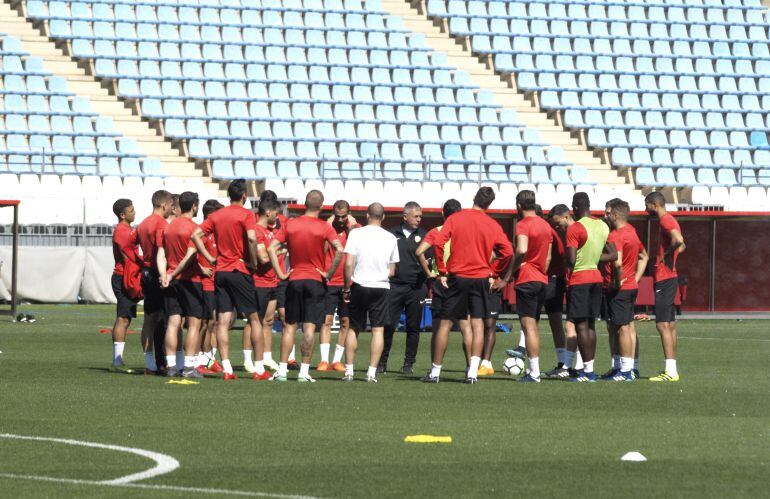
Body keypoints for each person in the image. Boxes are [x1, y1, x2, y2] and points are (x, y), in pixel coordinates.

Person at [416, 187, 513, 384]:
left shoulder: (455, 218)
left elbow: (440, 243)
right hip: (480, 278)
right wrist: (495, 272)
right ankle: (472, 373)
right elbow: (508, 252)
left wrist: (442, 270)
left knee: (445, 322)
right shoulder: (492, 224)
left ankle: (435, 372)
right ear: (489, 204)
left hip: (458, 276)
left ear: (474, 198)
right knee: (477, 323)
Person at [191, 179, 266, 381]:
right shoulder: (246, 214)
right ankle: (259, 369)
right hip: (239, 269)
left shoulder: (217, 215)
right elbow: (251, 238)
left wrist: (210, 257)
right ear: (244, 195)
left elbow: (196, 234)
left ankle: (227, 369)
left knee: (222, 321)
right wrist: (252, 261)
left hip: (221, 272)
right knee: (253, 318)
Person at [267, 190, 344, 383]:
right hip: (316, 281)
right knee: (309, 327)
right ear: (321, 205)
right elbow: (340, 249)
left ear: (305, 204)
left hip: (294, 279)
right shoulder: (324, 227)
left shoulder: (291, 225)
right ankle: (303, 372)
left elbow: (270, 248)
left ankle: (283, 370)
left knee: (290, 327)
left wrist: (281, 273)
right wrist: (329, 273)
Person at [494, 191, 552, 382]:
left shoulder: (523, 224)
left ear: (519, 205)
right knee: (533, 325)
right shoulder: (545, 225)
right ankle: (532, 370)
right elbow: (548, 258)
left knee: (529, 327)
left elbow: (521, 249)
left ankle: (534, 372)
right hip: (542, 279)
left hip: (527, 278)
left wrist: (509, 274)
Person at [341, 203, 400, 383]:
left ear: (367, 215)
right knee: (378, 330)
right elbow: (392, 270)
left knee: (354, 327)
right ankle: (371, 373)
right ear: (383, 217)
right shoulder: (391, 237)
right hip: (380, 286)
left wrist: (346, 287)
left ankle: (349, 371)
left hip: (359, 284)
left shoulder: (356, 233)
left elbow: (348, 264)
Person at [564, 192, 616, 382]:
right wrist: (594, 257)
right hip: (596, 278)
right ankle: (589, 370)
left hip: (580, 279)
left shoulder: (575, 228)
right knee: (591, 325)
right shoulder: (602, 225)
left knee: (581, 326)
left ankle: (587, 373)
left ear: (576, 207)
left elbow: (570, 260)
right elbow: (613, 255)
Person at [418, 199, 472, 368]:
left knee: (440, 326)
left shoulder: (437, 231)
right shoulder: (468, 232)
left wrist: (429, 274)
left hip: (442, 280)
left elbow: (419, 251)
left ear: (443, 213)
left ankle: (435, 369)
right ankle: (471, 369)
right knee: (465, 325)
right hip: (463, 279)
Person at [157, 191, 205, 378]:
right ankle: (189, 367)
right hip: (190, 280)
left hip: (172, 281)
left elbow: (161, 254)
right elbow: (190, 256)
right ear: (194, 206)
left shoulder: (168, 227)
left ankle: (171, 367)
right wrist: (173, 273)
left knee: (173, 322)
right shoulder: (195, 228)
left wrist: (165, 274)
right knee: (194, 323)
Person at [378, 202, 429, 375]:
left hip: (416, 287)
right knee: (389, 324)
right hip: (395, 286)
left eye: (420, 216)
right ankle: (381, 362)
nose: (419, 219)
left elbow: (430, 261)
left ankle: (408, 364)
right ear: (405, 216)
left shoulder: (424, 235)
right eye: (416, 216)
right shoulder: (391, 234)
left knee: (413, 327)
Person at [604, 199, 648, 381]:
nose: (604, 216)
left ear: (615, 215)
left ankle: (625, 371)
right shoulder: (632, 232)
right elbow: (644, 256)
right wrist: (635, 279)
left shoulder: (616, 235)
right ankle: (626, 368)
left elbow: (618, 262)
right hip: (630, 286)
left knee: (621, 328)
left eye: (607, 213)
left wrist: (616, 281)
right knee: (626, 327)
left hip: (619, 288)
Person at [645, 191, 685, 382]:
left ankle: (670, 370)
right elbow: (682, 245)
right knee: (669, 324)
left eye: (647, 205)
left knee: (662, 323)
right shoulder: (671, 220)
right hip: (670, 277)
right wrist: (671, 255)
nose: (646, 210)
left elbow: (678, 241)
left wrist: (666, 255)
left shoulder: (665, 220)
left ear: (654, 204)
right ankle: (672, 369)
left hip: (665, 277)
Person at [135, 189, 174, 374]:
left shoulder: (142, 224)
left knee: (149, 320)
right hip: (158, 271)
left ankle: (149, 363)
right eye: (171, 207)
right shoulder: (161, 224)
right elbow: (163, 251)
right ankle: (165, 361)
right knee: (164, 319)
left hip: (145, 271)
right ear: (165, 205)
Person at [258, 190, 298, 369]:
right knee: (263, 320)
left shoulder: (285, 223)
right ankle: (264, 357)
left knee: (284, 316)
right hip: (264, 276)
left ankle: (290, 358)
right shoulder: (257, 224)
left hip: (282, 275)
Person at [318, 200, 359, 372]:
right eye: (337, 216)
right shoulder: (327, 228)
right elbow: (323, 248)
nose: (340, 220)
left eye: (344, 216)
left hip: (348, 282)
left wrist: (352, 226)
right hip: (329, 281)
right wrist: (327, 225)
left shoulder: (355, 229)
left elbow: (354, 246)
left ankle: (337, 361)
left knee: (345, 322)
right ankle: (324, 361)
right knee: (326, 320)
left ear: (348, 214)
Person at [248, 198, 282, 372]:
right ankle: (253, 360)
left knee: (268, 321)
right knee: (256, 322)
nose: (277, 216)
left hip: (272, 281)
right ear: (268, 212)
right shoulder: (257, 230)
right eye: (276, 212)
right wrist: (282, 250)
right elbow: (263, 258)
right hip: (259, 282)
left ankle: (267, 357)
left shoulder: (269, 231)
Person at [110, 199, 141, 373]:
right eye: (131, 210)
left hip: (126, 276)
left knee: (126, 318)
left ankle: (117, 361)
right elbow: (126, 255)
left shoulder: (127, 230)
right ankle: (117, 361)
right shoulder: (122, 231)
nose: (134, 212)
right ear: (122, 215)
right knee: (122, 318)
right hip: (123, 277)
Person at [195, 199, 224, 374]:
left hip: (217, 283)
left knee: (214, 322)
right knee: (204, 323)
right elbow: (191, 255)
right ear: (210, 215)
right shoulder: (202, 233)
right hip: (205, 283)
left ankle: (209, 357)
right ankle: (199, 358)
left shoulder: (217, 233)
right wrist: (201, 268)